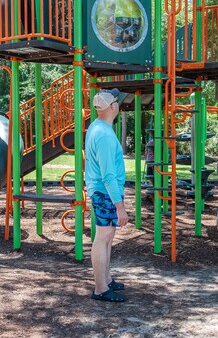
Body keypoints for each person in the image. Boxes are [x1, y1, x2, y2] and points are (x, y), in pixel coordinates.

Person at [85, 88, 128, 302]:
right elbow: (108, 175)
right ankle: (101, 288)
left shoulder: (97, 127)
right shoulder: (103, 135)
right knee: (102, 237)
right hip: (105, 192)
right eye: (117, 102)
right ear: (113, 107)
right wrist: (120, 206)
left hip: (103, 191)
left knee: (108, 236)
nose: (119, 104)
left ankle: (107, 279)